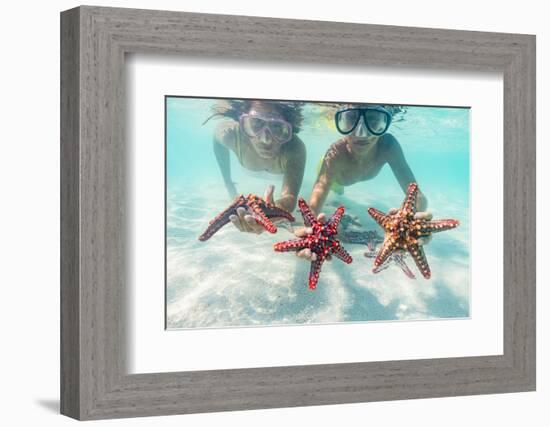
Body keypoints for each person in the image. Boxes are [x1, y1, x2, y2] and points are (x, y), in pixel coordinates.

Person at [296, 104, 432, 262]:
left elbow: (417, 195)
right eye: (351, 120)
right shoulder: (335, 154)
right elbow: (317, 195)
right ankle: (336, 189)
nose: (361, 133)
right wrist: (308, 230)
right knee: (336, 192)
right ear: (342, 122)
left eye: (373, 121)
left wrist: (412, 224)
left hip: (347, 177)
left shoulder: (389, 146)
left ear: (385, 124)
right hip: (334, 177)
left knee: (339, 195)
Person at [207, 99, 306, 233]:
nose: (265, 139)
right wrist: (228, 182)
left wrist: (272, 211)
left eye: (277, 126)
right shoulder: (230, 134)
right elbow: (217, 140)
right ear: (243, 124)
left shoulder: (294, 149)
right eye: (256, 122)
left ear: (288, 129)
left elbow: (289, 196)